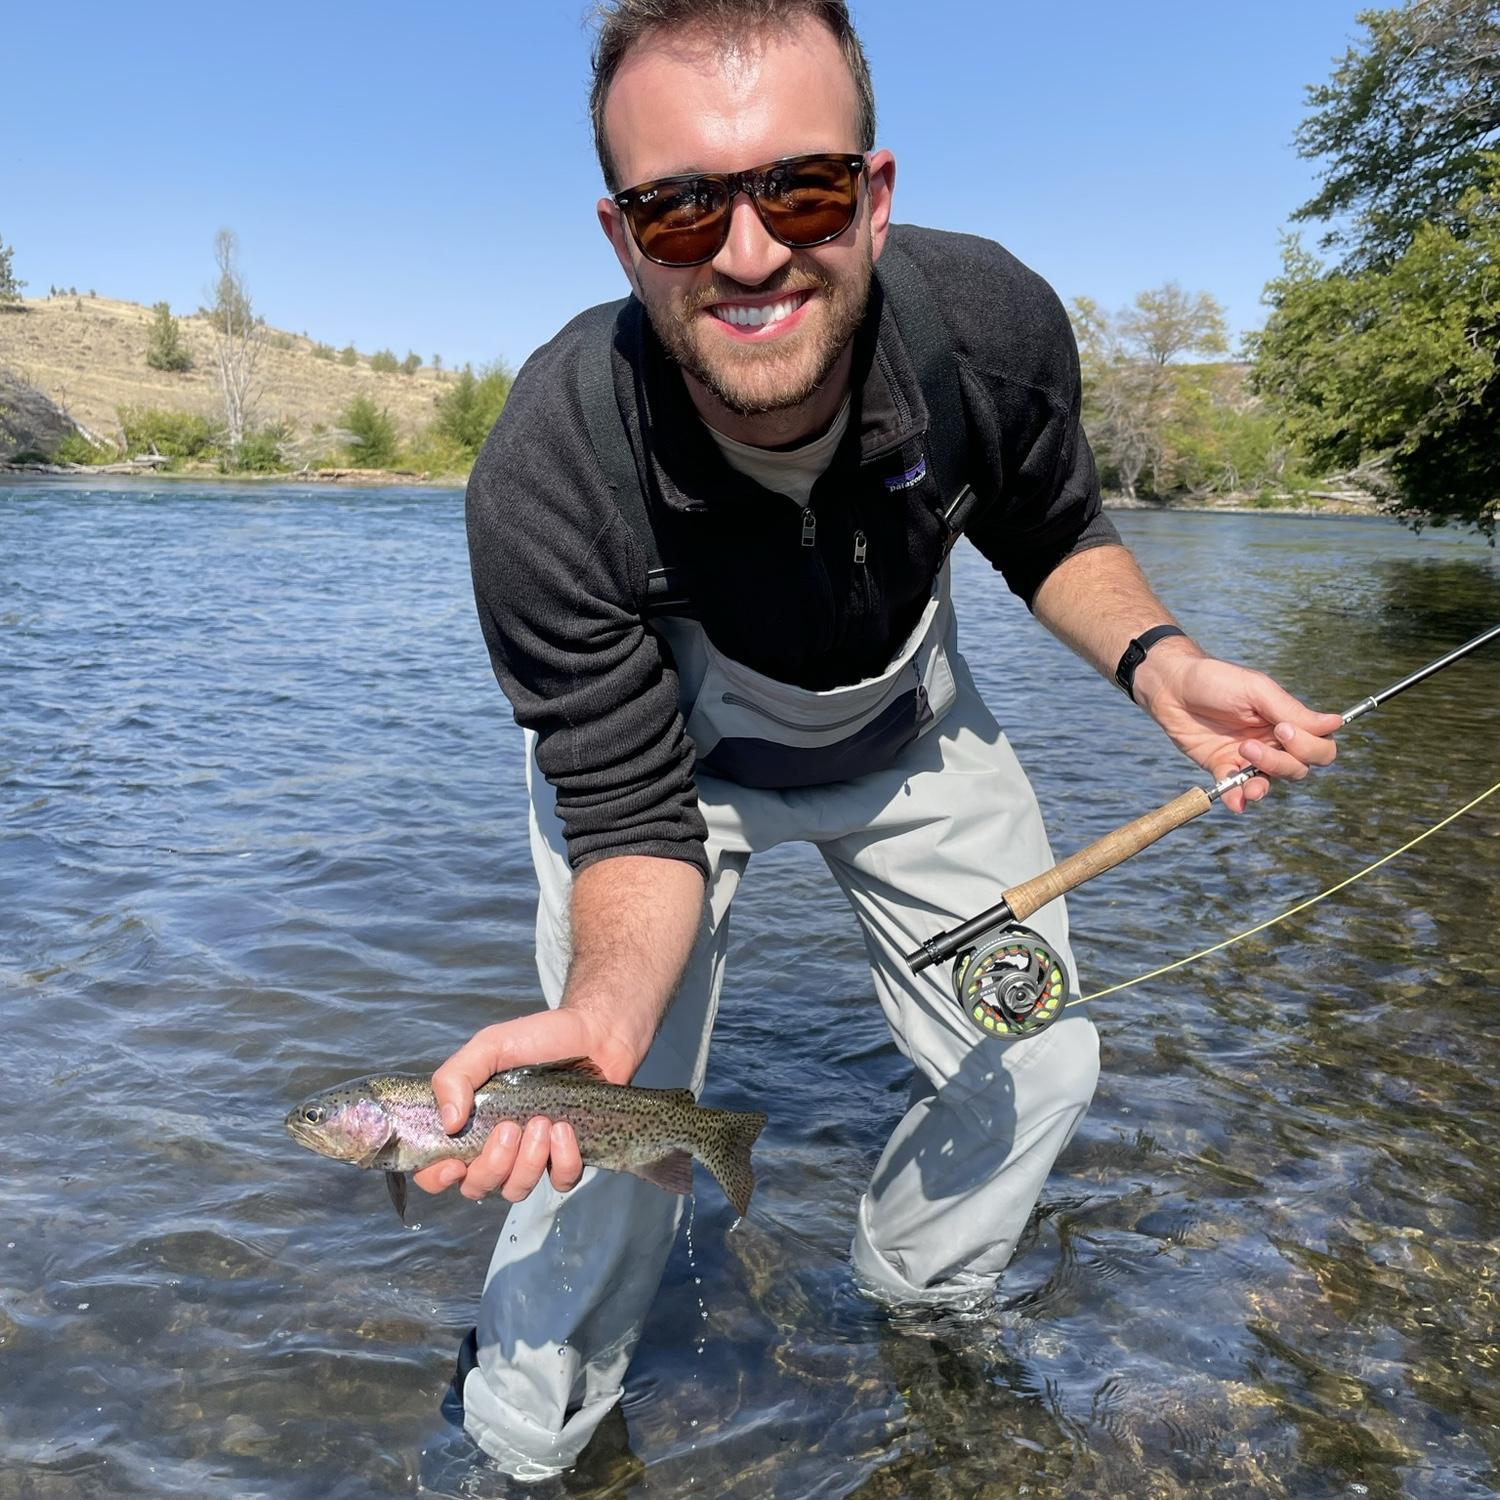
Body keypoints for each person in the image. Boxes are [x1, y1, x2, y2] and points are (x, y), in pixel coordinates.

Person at [415, 0, 1341, 1476]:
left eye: (803, 186)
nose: (749, 250)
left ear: (877, 192)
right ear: (618, 235)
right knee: (602, 1132)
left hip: (912, 734)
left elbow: (1051, 527)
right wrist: (608, 1026)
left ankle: (925, 1305)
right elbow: (629, 813)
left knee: (1038, 1055)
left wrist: (1159, 664)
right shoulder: (549, 470)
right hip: (669, 791)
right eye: (680, 209)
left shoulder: (990, 329)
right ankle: (521, 1441)